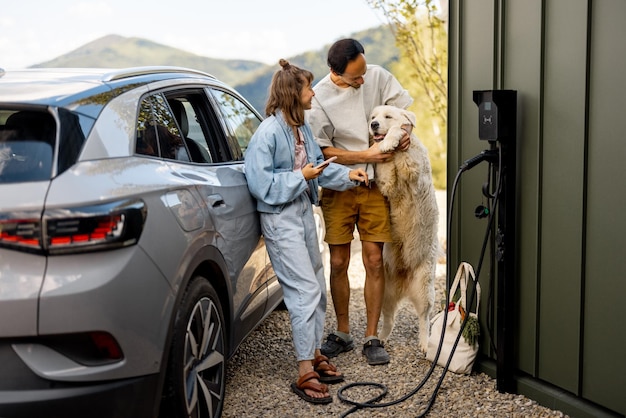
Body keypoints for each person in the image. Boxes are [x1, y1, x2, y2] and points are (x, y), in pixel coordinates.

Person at [244, 59, 368, 404]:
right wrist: (301, 178)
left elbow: (318, 169)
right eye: (308, 87)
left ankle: (312, 351)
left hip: (300, 212)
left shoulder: (301, 129)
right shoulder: (267, 133)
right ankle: (303, 372)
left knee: (316, 282)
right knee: (303, 291)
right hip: (279, 218)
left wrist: (348, 176)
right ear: (293, 95)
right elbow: (259, 182)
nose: (313, 92)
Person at [307, 38, 414, 365]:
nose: (363, 81)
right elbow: (323, 151)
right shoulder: (319, 97)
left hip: (375, 184)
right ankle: (342, 332)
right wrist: (366, 154)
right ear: (335, 73)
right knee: (338, 261)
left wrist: (405, 130)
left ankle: (372, 337)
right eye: (355, 77)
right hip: (338, 185)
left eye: (364, 72)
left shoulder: (377, 76)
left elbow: (405, 112)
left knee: (373, 258)